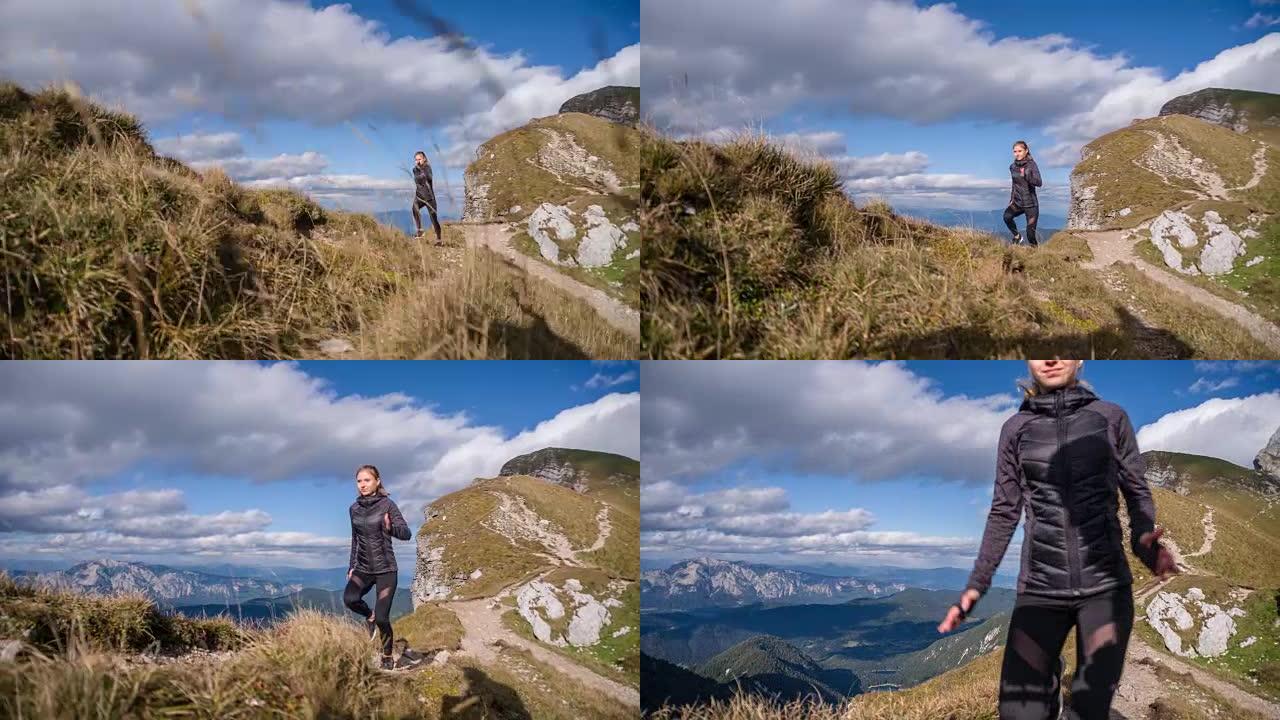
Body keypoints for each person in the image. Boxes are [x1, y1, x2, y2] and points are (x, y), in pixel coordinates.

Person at [937, 360, 1178, 720]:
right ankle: (1050, 686)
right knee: (1018, 713)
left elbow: (1137, 493)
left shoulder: (1111, 418)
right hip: (1040, 588)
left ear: (1080, 359)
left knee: (1090, 709)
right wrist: (977, 584)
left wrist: (1146, 543)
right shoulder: (1016, 429)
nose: (1051, 359)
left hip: (1106, 589)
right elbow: (1005, 510)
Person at [343, 464, 412, 670]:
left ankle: (387, 654)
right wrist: (351, 566)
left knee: (383, 618)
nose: (362, 485)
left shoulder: (388, 505)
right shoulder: (353, 509)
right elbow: (355, 539)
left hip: (386, 569)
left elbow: (406, 533)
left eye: (367, 480)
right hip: (363, 567)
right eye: (359, 481)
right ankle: (369, 615)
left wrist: (390, 527)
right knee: (350, 599)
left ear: (377, 481)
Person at [1004, 141, 1042, 246]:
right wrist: (1011, 199)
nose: (1017, 153)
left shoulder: (1032, 165)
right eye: (1015, 151)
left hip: (1031, 204)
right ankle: (1017, 236)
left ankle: (1035, 252)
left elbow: (1039, 183)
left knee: (1030, 234)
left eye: (1020, 151)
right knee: (1007, 217)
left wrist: (1027, 175)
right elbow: (1014, 184)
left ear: (1026, 151)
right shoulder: (1012, 167)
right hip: (1018, 202)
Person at [411, 150, 442, 243]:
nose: (417, 161)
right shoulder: (414, 169)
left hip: (429, 198)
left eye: (419, 159)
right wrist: (420, 172)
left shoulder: (428, 168)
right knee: (414, 208)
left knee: (433, 219)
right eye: (416, 159)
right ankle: (420, 230)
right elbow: (418, 179)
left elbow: (428, 177)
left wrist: (422, 172)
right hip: (419, 196)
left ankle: (439, 239)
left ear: (424, 159)